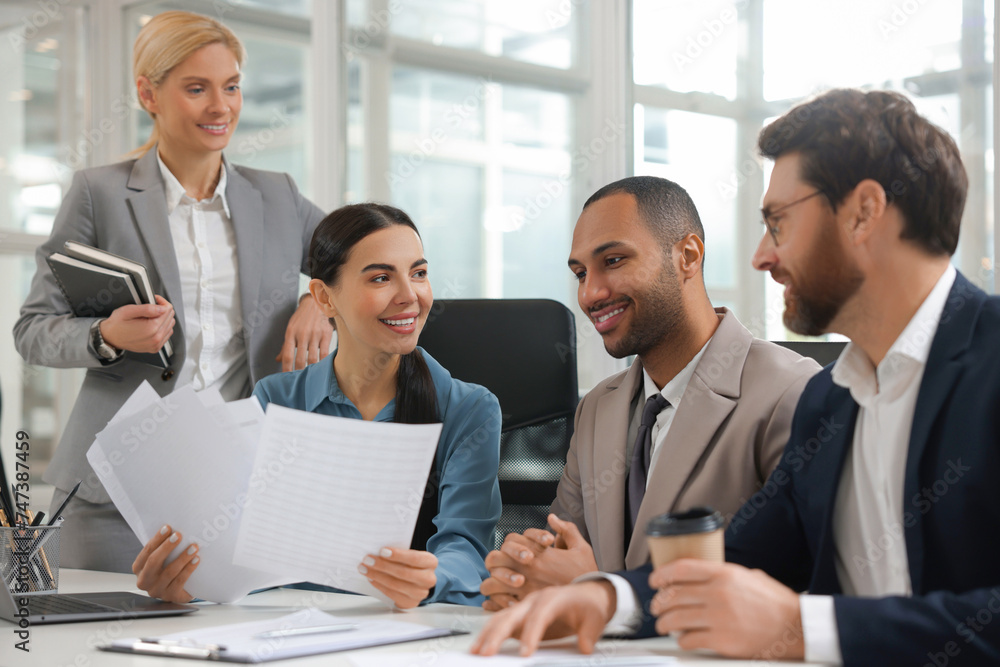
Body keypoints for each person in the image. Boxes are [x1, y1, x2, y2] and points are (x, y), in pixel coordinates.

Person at [471, 88, 1000, 666]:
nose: (760, 257)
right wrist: (606, 597)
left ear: (865, 212)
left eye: (778, 222)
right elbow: (739, 557)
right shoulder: (833, 401)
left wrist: (803, 628)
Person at [13, 11, 331, 573]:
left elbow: (367, 264)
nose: (221, 106)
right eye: (196, 88)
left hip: (241, 483)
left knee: (230, 649)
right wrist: (105, 334)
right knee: (97, 654)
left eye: (231, 86)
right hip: (115, 490)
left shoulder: (278, 196)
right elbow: (34, 329)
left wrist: (317, 302)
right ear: (147, 94)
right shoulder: (99, 195)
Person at [132, 202, 503, 609]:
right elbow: (245, 550)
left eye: (418, 273)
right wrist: (189, 580)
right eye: (381, 277)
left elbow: (465, 550)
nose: (409, 296)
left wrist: (431, 578)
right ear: (324, 298)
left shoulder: (469, 409)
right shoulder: (276, 401)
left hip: (405, 629)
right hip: (286, 628)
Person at [479, 176, 819, 610]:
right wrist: (524, 572)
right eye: (581, 273)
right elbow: (562, 549)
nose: (590, 293)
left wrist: (595, 592)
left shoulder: (791, 393)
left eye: (614, 261)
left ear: (688, 256)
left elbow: (786, 586)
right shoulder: (598, 407)